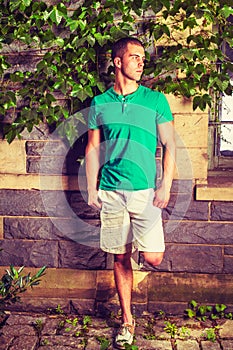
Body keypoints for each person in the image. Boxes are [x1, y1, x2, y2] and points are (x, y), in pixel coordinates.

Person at [85, 37, 176, 349]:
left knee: (153, 257)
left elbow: (170, 145)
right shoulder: (99, 103)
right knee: (120, 257)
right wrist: (91, 187)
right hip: (111, 192)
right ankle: (127, 322)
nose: (141, 62)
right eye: (134, 56)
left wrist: (165, 185)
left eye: (142, 57)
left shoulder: (155, 101)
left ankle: (139, 238)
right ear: (117, 62)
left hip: (145, 194)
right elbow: (93, 147)